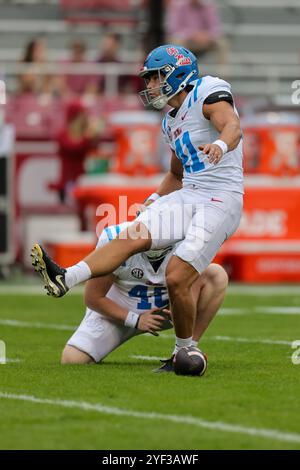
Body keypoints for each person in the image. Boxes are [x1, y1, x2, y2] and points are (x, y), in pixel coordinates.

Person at [31, 44, 243, 375]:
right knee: (133, 234)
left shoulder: (207, 91)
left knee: (176, 275)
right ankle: (66, 277)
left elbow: (232, 127)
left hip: (221, 196)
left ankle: (184, 351)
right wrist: (156, 201)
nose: (150, 86)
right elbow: (176, 173)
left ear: (176, 74)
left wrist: (218, 144)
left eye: (155, 78)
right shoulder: (171, 120)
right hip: (192, 192)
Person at [61, 222, 228, 373]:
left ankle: (188, 350)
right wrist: (135, 319)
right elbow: (93, 297)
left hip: (168, 310)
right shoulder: (117, 238)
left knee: (215, 275)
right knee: (72, 359)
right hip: (118, 311)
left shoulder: (188, 238)